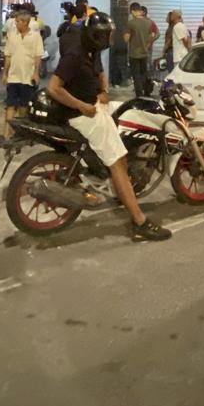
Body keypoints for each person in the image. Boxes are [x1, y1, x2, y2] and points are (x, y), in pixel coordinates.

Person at [47, 12, 170, 242]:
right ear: (98, 36)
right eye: (109, 35)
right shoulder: (74, 55)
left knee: (129, 112)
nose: (112, 38)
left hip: (94, 103)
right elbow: (53, 88)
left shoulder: (89, 46)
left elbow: (100, 70)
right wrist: (82, 106)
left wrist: (103, 90)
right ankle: (139, 222)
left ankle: (116, 178)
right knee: (118, 162)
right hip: (81, 114)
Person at [1, 8, 43, 140]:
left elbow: (37, 57)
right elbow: (7, 56)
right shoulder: (12, 36)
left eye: (18, 21)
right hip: (13, 76)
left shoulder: (35, 37)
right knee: (10, 105)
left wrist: (36, 73)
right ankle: (6, 133)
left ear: (25, 22)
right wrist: (5, 73)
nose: (16, 24)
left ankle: (21, 132)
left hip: (27, 76)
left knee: (24, 105)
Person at [123, 2, 156, 97]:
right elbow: (151, 37)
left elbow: (126, 39)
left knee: (136, 75)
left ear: (133, 11)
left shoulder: (131, 23)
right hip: (145, 53)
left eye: (131, 12)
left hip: (134, 54)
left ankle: (139, 95)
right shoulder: (149, 22)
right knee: (144, 74)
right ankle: (147, 93)